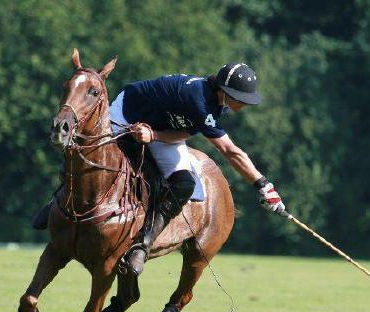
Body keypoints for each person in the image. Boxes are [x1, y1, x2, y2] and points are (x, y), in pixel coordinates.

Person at [34, 62, 287, 275]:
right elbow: (230, 151)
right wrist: (263, 185)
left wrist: (154, 135)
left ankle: (143, 244)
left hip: (160, 129)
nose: (244, 104)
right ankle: (56, 201)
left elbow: (186, 131)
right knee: (88, 152)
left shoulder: (216, 104)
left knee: (184, 183)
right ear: (224, 90)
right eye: (241, 98)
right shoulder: (198, 100)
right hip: (127, 113)